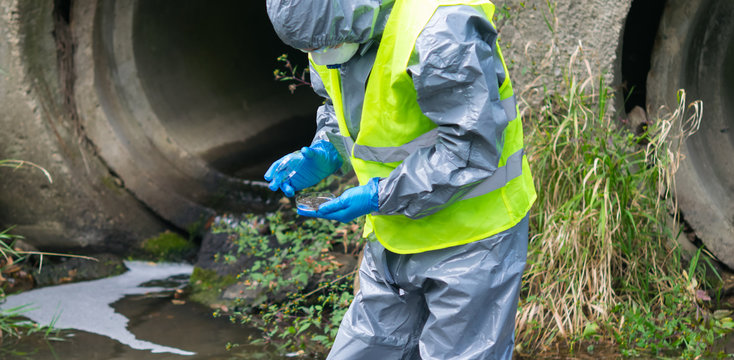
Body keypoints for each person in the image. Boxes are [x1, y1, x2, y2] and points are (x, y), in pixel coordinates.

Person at [264, 0, 536, 358]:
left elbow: (471, 147)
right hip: (394, 240)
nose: (315, 54)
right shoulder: (326, 31)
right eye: (307, 47)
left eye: (320, 44)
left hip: (473, 241)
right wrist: (327, 149)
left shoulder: (440, 27)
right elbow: (342, 108)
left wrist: (379, 196)